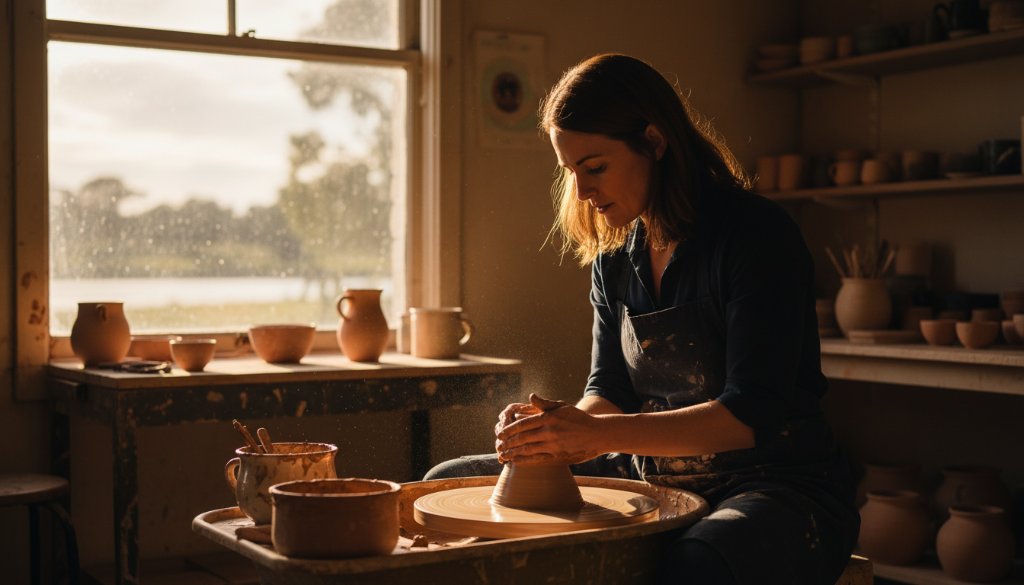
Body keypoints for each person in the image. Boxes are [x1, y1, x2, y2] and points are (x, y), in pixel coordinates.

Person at [424, 53, 859, 584]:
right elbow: (608, 390)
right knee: (445, 480)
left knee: (699, 561)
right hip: (650, 473)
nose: (582, 192)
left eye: (595, 168)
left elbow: (749, 415)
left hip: (774, 482)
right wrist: (555, 430)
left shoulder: (755, 235)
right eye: (570, 172)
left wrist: (594, 435)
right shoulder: (616, 255)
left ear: (654, 142)